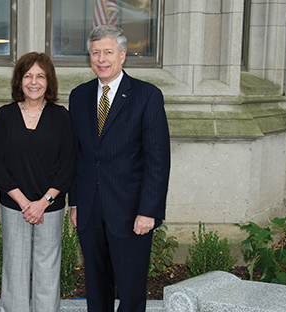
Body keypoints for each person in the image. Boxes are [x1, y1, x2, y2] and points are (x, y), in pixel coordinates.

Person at [68, 25, 171, 312]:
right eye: (95, 52)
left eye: (108, 52)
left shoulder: (146, 95)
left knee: (131, 291)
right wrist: (74, 203)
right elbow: (77, 155)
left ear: (122, 55)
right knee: (96, 290)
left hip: (130, 213)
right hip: (89, 210)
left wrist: (148, 211)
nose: (101, 59)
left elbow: (158, 159)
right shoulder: (79, 96)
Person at [0, 52, 75, 312]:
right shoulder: (5, 115)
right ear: (19, 81)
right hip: (15, 204)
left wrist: (43, 202)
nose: (34, 82)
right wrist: (25, 202)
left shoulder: (61, 116)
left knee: (47, 266)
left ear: (49, 82)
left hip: (50, 205)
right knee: (14, 265)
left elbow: (68, 164)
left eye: (41, 76)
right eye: (28, 76)